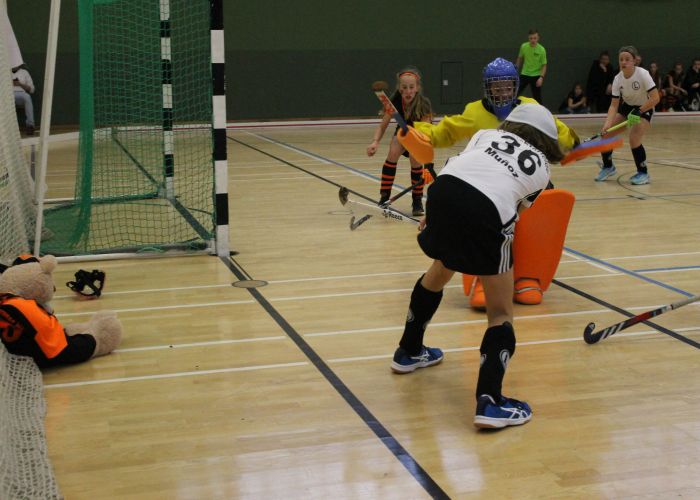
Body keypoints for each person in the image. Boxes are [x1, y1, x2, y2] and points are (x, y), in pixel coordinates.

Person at [390, 103, 565, 429]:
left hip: (443, 192)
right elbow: (514, 215)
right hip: (488, 209)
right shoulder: (542, 168)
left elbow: (455, 169)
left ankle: (408, 351)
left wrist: (438, 215)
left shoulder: (486, 134)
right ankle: (490, 402)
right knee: (500, 313)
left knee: (441, 268)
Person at [412, 58, 579, 309]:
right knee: (486, 221)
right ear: (487, 88)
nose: (502, 92)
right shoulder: (475, 112)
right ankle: (483, 278)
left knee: (540, 215)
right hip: (487, 185)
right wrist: (416, 131)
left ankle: (527, 276)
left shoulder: (531, 106)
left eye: (507, 86)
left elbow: (556, 129)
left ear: (515, 87)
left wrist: (574, 144)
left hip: (522, 183)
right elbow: (445, 131)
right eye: (496, 87)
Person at [366, 67, 433, 216]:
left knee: (415, 160)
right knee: (392, 153)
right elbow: (383, 125)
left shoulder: (424, 103)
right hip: (402, 132)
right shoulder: (394, 101)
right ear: (399, 88)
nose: (408, 91)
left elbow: (426, 130)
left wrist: (424, 156)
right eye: (404, 87)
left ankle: (417, 201)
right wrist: (375, 142)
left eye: (411, 87)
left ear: (417, 88)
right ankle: (384, 197)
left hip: (418, 135)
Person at [595, 46, 660, 185]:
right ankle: (608, 167)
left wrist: (640, 111)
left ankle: (643, 173)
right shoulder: (617, 79)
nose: (623, 62)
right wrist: (607, 124)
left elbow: (655, 98)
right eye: (621, 59)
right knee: (606, 135)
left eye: (627, 59)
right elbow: (614, 105)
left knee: (634, 138)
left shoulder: (643, 74)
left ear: (634, 61)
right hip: (628, 107)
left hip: (645, 106)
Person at [515, 29, 547, 104]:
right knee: (515, 93)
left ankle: (540, 111)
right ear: (528, 38)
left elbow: (544, 65)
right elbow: (519, 58)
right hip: (524, 74)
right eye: (531, 38)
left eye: (535, 38)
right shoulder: (523, 46)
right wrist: (515, 70)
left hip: (536, 76)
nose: (533, 40)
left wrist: (541, 77)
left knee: (537, 98)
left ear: (538, 38)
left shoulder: (542, 50)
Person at [12, 64, 35, 136]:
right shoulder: (4, 72)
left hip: (20, 94)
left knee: (27, 97)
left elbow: (32, 89)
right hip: (8, 94)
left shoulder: (24, 72)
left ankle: (30, 125)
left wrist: (20, 84)